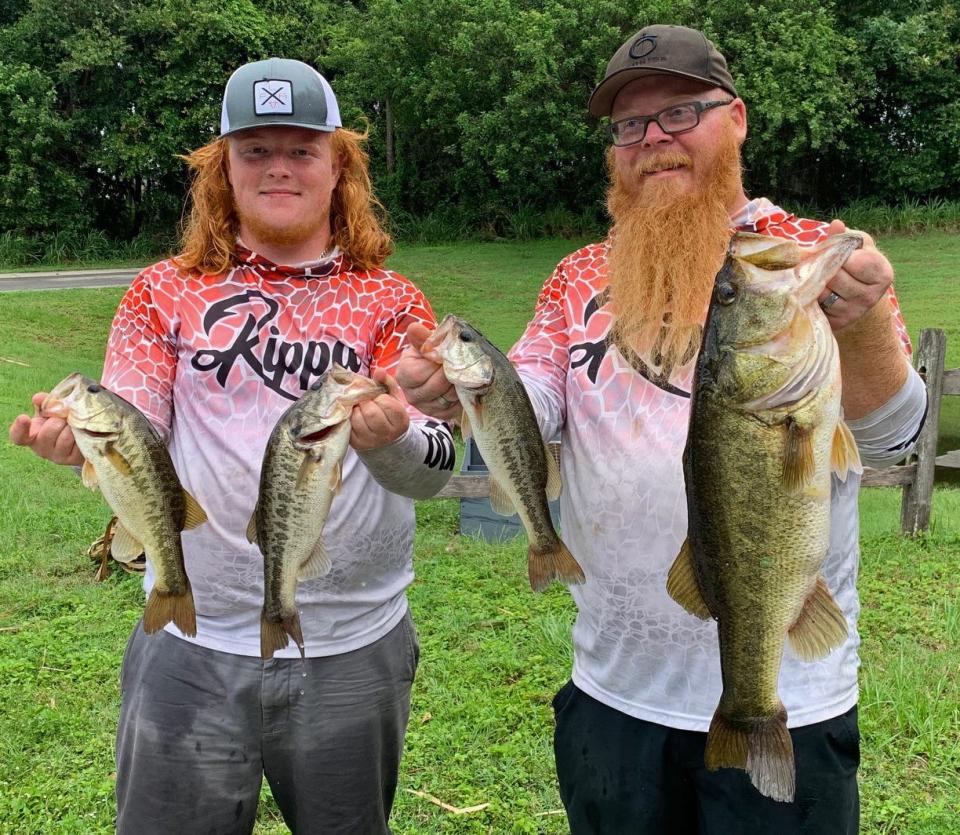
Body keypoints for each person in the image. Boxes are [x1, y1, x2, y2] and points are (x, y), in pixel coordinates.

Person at [397, 24, 927, 835]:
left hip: (792, 697)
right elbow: (534, 398)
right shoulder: (577, 274)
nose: (654, 141)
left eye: (681, 112)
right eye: (630, 126)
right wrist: (466, 389)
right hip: (614, 695)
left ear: (737, 118)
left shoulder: (812, 257)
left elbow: (895, 437)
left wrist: (859, 331)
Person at [9, 57, 454, 834]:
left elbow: (436, 471)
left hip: (354, 648)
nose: (278, 166)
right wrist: (86, 442)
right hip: (190, 642)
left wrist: (396, 438)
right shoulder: (161, 291)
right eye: (253, 149)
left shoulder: (392, 299)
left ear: (338, 165)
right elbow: (135, 418)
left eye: (301, 149)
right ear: (222, 168)